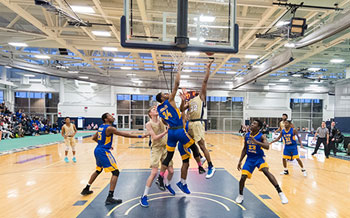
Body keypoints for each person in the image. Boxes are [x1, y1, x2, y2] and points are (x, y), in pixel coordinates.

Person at [155, 65, 204, 195]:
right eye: (164, 94)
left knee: (171, 157)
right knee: (194, 147)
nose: (167, 94)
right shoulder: (170, 100)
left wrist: (183, 102)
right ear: (162, 98)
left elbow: (166, 121)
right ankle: (200, 166)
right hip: (179, 131)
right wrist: (178, 71)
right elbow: (176, 84)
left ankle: (161, 177)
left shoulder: (160, 109)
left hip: (171, 133)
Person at [81, 113, 147, 205]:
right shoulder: (110, 128)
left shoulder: (101, 127)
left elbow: (94, 138)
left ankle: (86, 188)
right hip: (103, 151)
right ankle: (110, 197)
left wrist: (103, 144)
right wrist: (140, 136)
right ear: (106, 119)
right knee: (115, 172)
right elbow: (124, 134)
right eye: (110, 116)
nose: (112, 117)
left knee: (98, 170)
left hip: (98, 149)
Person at [236, 120, 288, 204]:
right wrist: (240, 161)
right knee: (242, 178)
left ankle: (280, 193)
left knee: (266, 171)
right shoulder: (247, 135)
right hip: (249, 159)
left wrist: (256, 142)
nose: (252, 124)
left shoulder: (262, 136)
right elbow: (245, 149)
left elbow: (267, 146)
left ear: (258, 127)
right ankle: (240, 195)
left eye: (254, 124)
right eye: (252, 123)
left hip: (259, 158)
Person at [180, 60, 216, 179]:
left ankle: (211, 166)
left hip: (197, 123)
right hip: (190, 124)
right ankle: (200, 157)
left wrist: (207, 69)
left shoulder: (201, 97)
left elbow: (205, 82)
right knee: (187, 143)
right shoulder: (189, 102)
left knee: (201, 144)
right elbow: (181, 109)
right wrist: (183, 100)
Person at [140, 106, 175, 207]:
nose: (156, 110)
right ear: (150, 113)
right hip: (156, 149)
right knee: (154, 173)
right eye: (153, 109)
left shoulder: (162, 120)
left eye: (156, 108)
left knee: (171, 171)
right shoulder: (149, 124)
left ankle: (167, 184)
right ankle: (144, 196)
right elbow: (154, 137)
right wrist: (165, 132)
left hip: (165, 148)